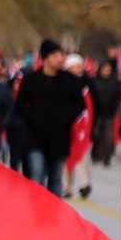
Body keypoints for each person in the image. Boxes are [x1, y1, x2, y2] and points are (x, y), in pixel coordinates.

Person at [15, 39, 85, 196]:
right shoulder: (31, 80)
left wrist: (67, 118)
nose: (59, 59)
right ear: (45, 59)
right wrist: (32, 119)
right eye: (55, 56)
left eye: (60, 55)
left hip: (59, 137)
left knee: (55, 178)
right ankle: (37, 208)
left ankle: (54, 209)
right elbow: (19, 105)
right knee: (37, 174)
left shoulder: (70, 80)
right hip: (36, 137)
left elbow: (80, 105)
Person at [61, 54, 95, 199]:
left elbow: (96, 104)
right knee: (65, 158)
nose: (80, 69)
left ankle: (84, 184)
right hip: (66, 126)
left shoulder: (88, 84)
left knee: (82, 156)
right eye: (77, 66)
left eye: (81, 66)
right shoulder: (62, 83)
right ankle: (66, 187)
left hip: (84, 127)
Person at [91, 59, 121, 166]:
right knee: (96, 135)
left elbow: (118, 96)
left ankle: (107, 158)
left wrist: (114, 107)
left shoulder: (114, 82)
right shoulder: (94, 80)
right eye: (105, 69)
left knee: (109, 137)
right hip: (97, 113)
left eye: (109, 69)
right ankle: (95, 155)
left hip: (109, 114)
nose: (107, 71)